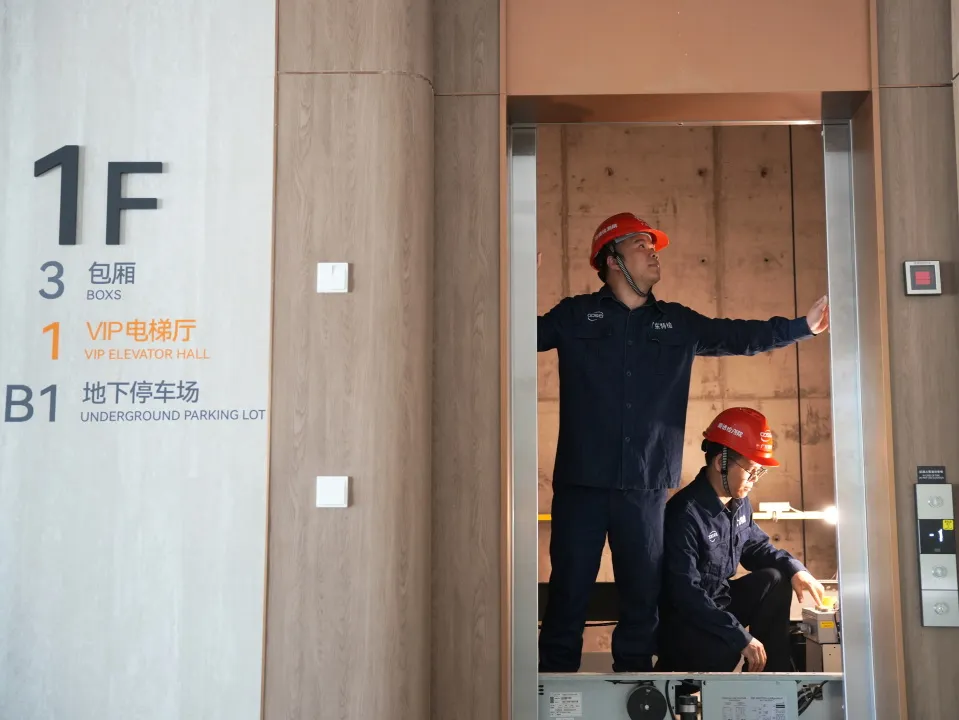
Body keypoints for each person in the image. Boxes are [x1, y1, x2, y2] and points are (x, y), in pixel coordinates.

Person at [536, 212, 830, 673]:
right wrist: (513, 285)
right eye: (640, 244)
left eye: (653, 245)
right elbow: (519, 336)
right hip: (581, 484)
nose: (653, 251)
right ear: (611, 258)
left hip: (645, 488)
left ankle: (636, 690)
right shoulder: (575, 316)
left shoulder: (676, 324)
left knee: (642, 600)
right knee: (568, 594)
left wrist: (801, 327)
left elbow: (738, 336)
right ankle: (553, 693)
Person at [656, 407, 826, 673]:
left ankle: (774, 679)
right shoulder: (684, 515)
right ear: (720, 463)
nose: (754, 481)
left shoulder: (739, 503)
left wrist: (796, 569)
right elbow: (686, 594)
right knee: (718, 639)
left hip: (720, 610)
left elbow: (756, 547)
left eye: (760, 472)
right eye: (751, 471)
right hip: (690, 626)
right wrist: (739, 635)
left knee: (776, 578)